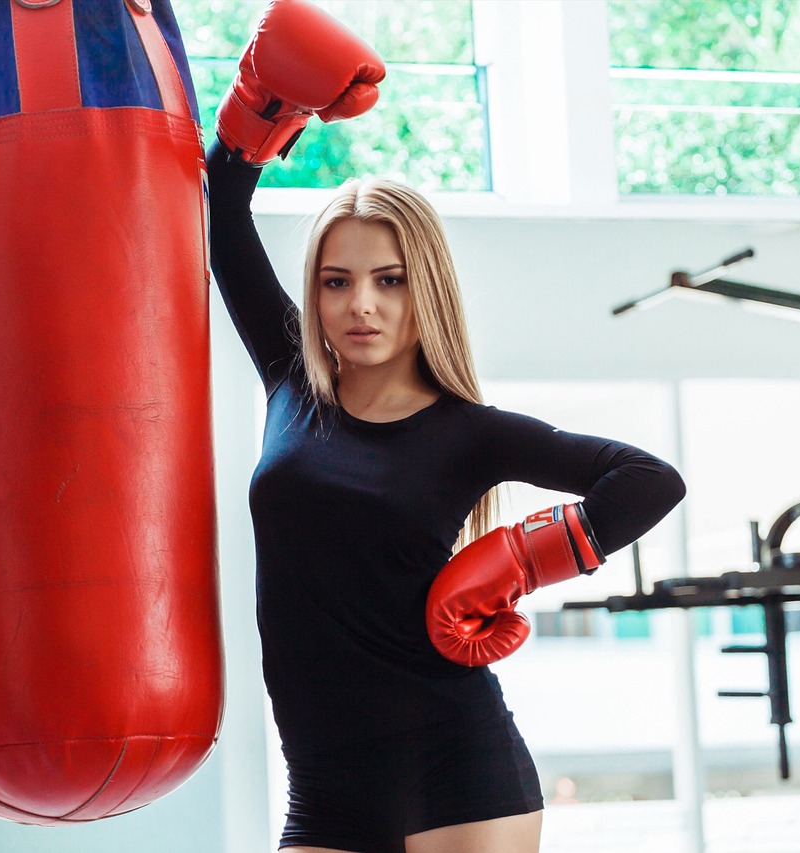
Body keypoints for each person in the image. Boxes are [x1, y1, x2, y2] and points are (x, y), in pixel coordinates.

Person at [206, 3, 686, 851]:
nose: (361, 304)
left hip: (457, 770)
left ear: (422, 290)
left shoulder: (471, 432)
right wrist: (265, 105)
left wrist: (519, 558)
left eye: (389, 281)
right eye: (337, 281)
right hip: (323, 781)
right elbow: (225, 219)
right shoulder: (292, 381)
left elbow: (650, 481)